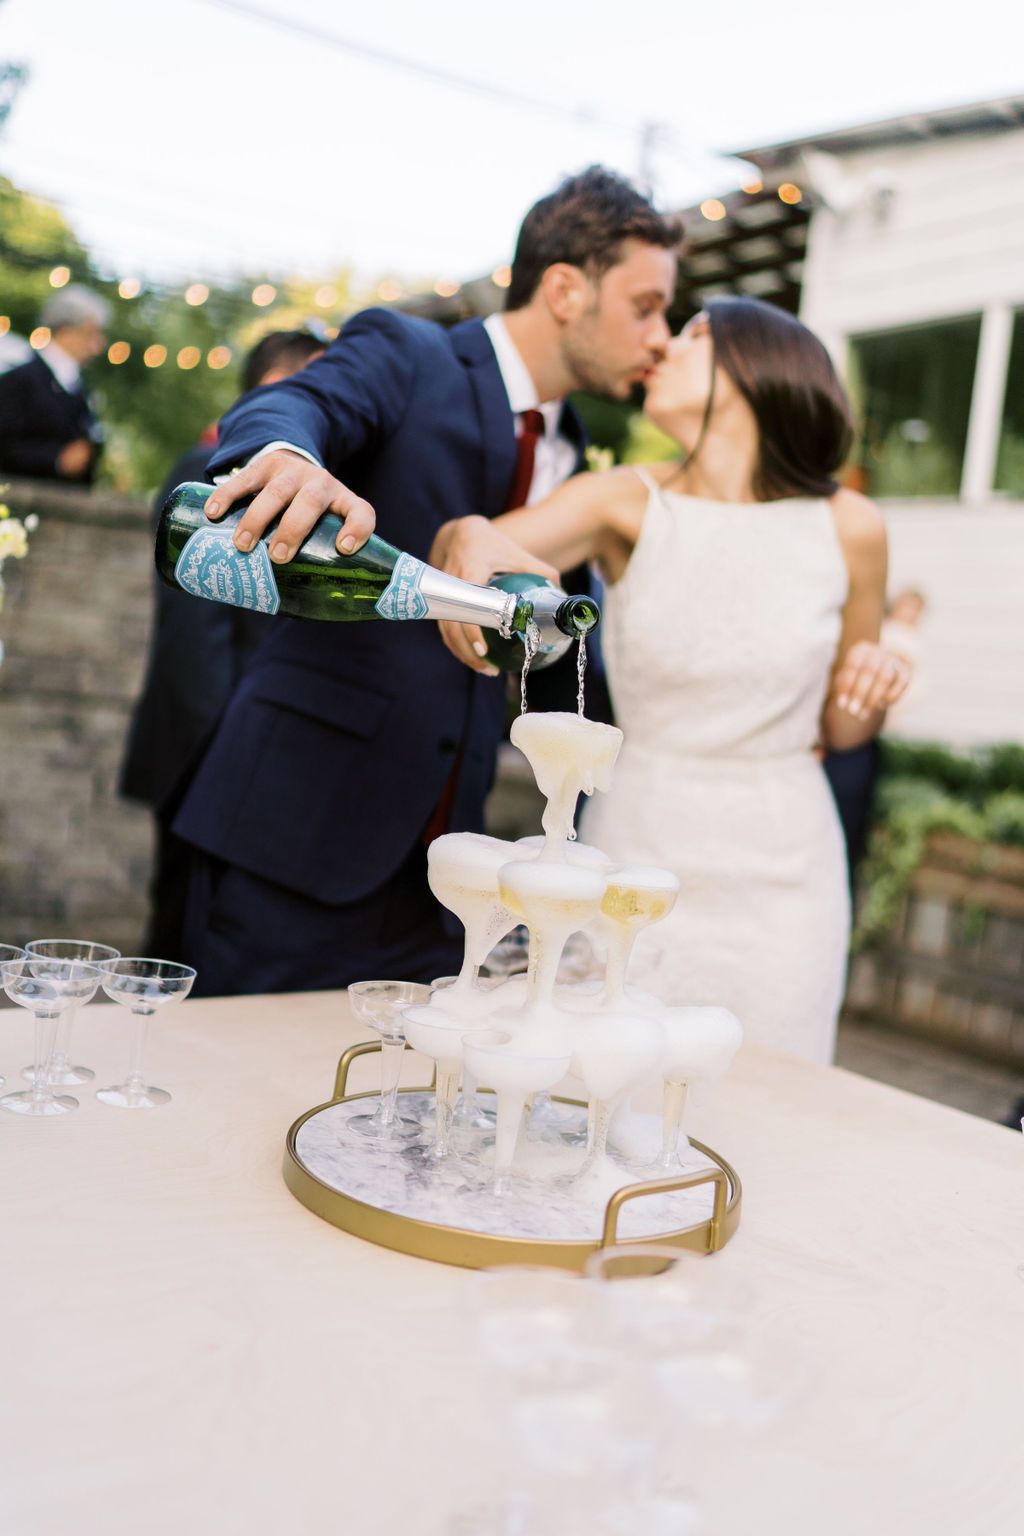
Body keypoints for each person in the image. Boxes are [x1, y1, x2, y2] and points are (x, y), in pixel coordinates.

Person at [171, 167, 681, 995]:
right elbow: (297, 405)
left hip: (449, 882)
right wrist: (290, 460)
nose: (660, 335)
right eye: (646, 305)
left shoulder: (577, 456)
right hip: (295, 836)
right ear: (564, 290)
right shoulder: (410, 353)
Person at [433, 298, 910, 1064]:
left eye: (692, 335)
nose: (661, 346)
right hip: (639, 844)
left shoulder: (852, 525)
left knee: (774, 1096)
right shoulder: (621, 498)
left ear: (754, 366)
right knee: (606, 1078)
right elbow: (465, 564)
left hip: (786, 874)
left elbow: (845, 730)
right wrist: (465, 530)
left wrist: (873, 683)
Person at [119, 330, 327, 959]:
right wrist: (230, 756)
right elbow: (193, 635)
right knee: (182, 929)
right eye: (315, 386)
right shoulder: (207, 471)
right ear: (275, 387)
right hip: (203, 750)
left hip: (248, 754)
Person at [0, 285, 110, 483]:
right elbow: (5, 446)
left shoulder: (81, 388)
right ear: (65, 330)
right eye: (90, 333)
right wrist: (56, 460)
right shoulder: (18, 380)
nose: (97, 346)